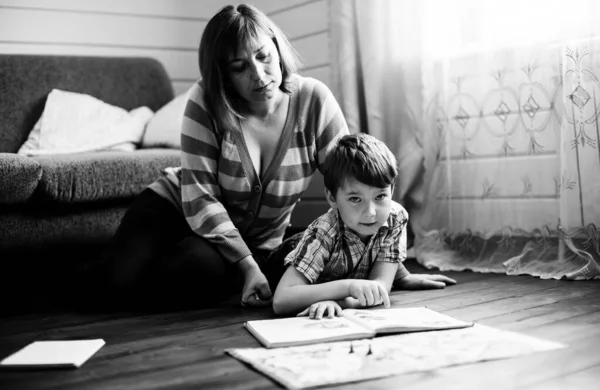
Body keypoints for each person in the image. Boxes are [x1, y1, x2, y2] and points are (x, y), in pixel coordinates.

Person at [81, 4, 350, 310]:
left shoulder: (314, 100)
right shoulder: (205, 101)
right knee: (110, 289)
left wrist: (387, 262)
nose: (259, 75)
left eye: (263, 55)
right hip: (174, 209)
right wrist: (249, 268)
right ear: (224, 75)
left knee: (199, 268)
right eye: (240, 67)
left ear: (277, 46)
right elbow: (201, 196)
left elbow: (349, 181)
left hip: (249, 243)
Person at [272, 133, 457, 319]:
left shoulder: (395, 217)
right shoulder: (323, 232)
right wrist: (349, 287)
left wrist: (339, 302)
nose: (370, 213)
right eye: (355, 199)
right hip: (280, 261)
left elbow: (379, 288)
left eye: (380, 196)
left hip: (339, 271)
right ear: (332, 198)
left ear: (392, 189)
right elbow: (282, 301)